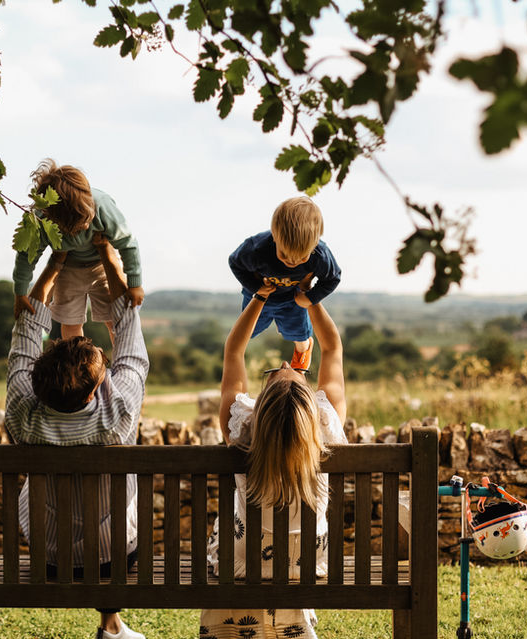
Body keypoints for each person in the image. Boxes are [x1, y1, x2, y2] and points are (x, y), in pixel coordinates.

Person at [4, 233, 148, 639]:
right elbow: (130, 331)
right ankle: (112, 624)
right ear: (92, 392)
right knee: (114, 523)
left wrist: (51, 267)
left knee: (76, 516)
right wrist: (110, 259)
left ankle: (113, 626)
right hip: (114, 560)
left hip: (50, 559)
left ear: (37, 384)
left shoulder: (22, 414)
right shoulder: (118, 415)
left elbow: (25, 335)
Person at [200, 281, 348, 639]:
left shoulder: (243, 429)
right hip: (308, 565)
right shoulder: (325, 427)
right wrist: (310, 300)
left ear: (261, 410)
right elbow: (332, 348)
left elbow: (234, 352)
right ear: (310, 409)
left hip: (238, 565)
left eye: (276, 371)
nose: (285, 362)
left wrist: (259, 297)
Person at [13, 160, 144, 342]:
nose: (86, 225)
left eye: (88, 218)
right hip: (68, 268)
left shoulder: (103, 205)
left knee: (115, 319)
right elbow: (26, 256)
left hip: (101, 265)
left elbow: (127, 243)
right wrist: (20, 293)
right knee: (70, 322)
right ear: (55, 220)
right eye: (80, 224)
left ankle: (120, 362)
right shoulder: (40, 220)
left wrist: (135, 283)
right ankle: (76, 362)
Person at [228, 195, 341, 371]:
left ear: (314, 244)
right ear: (275, 236)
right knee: (246, 333)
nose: (292, 262)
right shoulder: (257, 249)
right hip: (260, 297)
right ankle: (236, 364)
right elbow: (235, 263)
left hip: (293, 299)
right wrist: (256, 288)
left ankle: (303, 350)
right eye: (284, 255)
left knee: (298, 333)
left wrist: (310, 298)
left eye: (302, 257)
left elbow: (333, 278)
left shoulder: (320, 255)